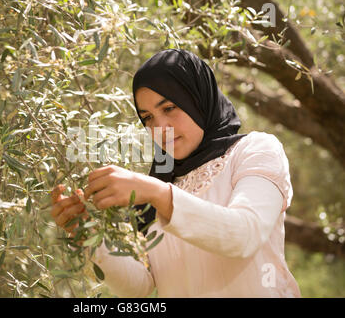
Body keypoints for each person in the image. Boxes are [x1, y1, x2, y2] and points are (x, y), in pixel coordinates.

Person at [50, 49, 301, 297]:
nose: (160, 127)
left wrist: (156, 193)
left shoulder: (255, 150)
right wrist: (88, 234)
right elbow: (140, 287)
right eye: (147, 117)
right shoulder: (161, 179)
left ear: (198, 99)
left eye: (169, 108)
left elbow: (245, 234)